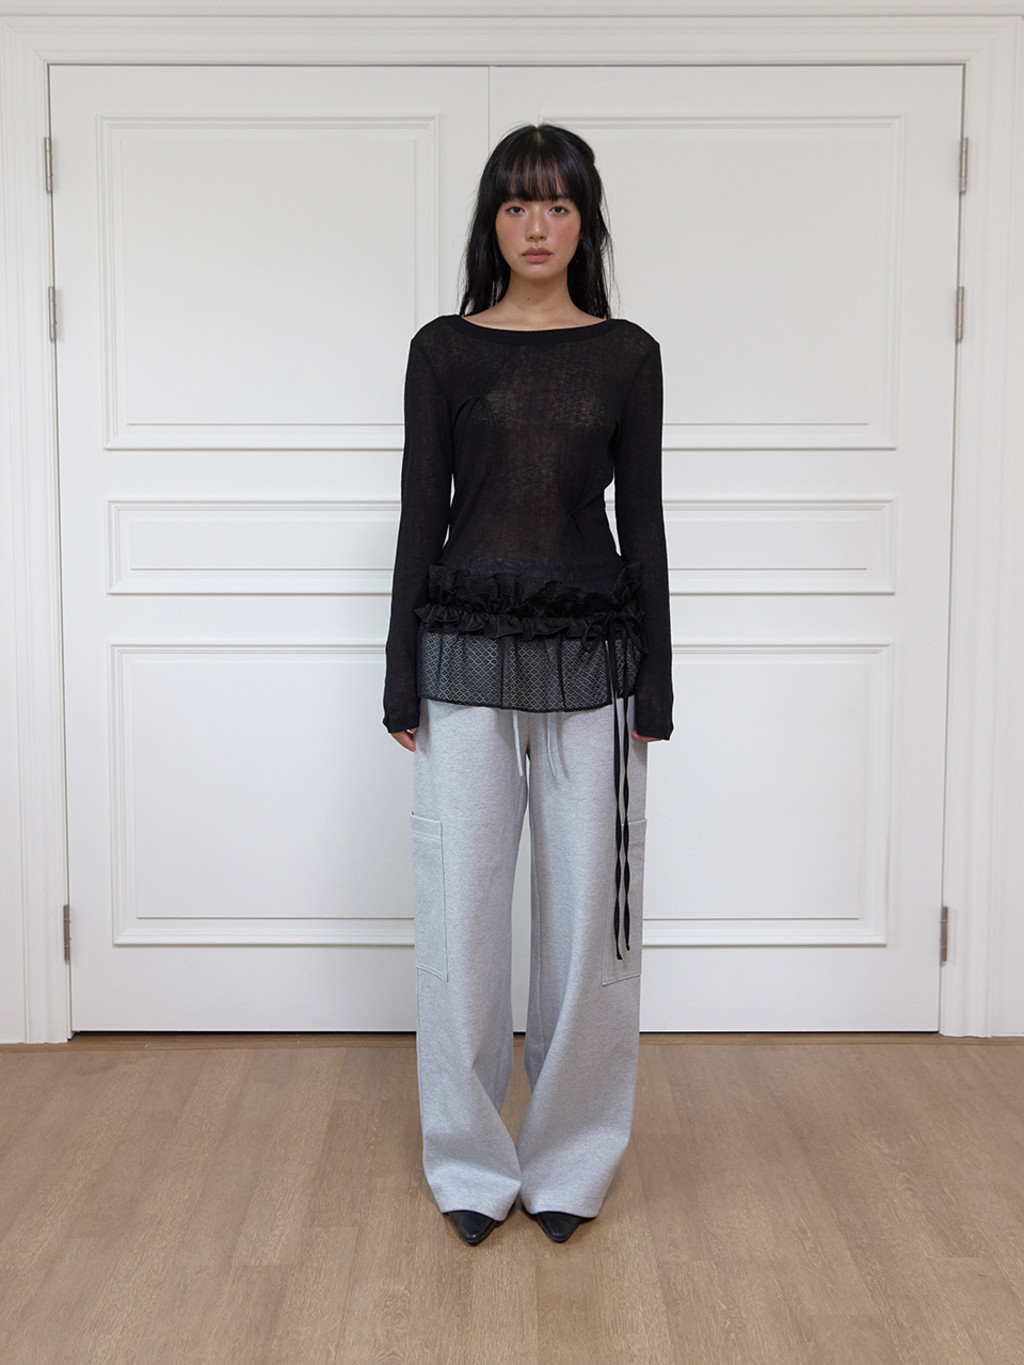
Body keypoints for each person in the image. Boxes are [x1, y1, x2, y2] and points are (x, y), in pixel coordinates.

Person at [383, 124, 672, 1247]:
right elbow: (421, 514)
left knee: (588, 920)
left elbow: (642, 522)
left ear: (585, 220)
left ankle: (569, 1162)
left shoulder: (628, 353)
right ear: (490, 222)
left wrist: (657, 685)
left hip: (596, 656)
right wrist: (399, 676)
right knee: (461, 908)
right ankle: (467, 1161)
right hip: (462, 650)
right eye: (516, 205)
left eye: (556, 204)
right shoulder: (443, 350)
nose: (536, 226)